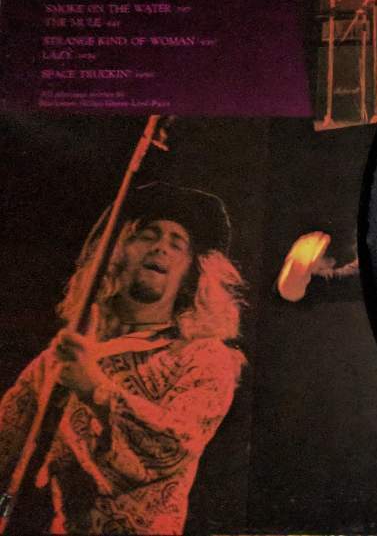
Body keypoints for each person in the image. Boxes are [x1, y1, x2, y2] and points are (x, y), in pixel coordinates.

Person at [0, 182, 245, 535]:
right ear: (115, 255)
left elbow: (171, 448)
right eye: (147, 235)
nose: (161, 246)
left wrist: (94, 388)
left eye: (177, 243)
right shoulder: (57, 362)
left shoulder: (204, 357)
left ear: (191, 273)